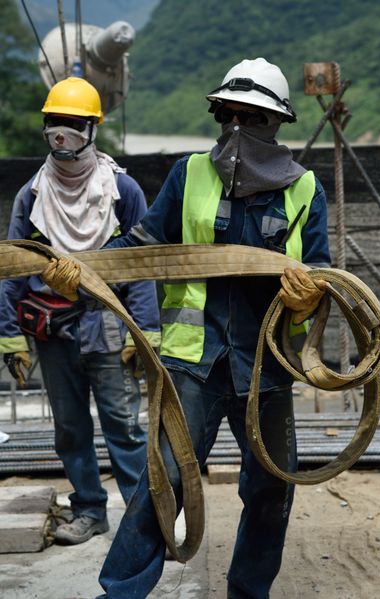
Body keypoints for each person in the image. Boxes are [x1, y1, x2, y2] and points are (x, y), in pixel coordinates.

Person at [42, 58, 330, 598]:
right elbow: (140, 248)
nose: (240, 131)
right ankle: (121, 591)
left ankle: (248, 592)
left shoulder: (304, 191)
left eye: (255, 119)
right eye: (231, 117)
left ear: (277, 124)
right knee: (164, 481)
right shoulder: (189, 174)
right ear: (219, 116)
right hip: (192, 362)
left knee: (270, 490)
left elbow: (320, 277)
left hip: (266, 368)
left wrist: (308, 297)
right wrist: (82, 273)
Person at [0, 77, 160, 546]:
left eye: (72, 123)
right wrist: (9, 335)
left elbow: (141, 265)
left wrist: (144, 333)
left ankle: (140, 520)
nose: (61, 133)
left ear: (92, 128)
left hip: (107, 326)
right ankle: (90, 510)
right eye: (54, 123)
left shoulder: (122, 192)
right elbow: (11, 268)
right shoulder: (32, 197)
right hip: (51, 332)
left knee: (124, 427)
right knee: (70, 428)